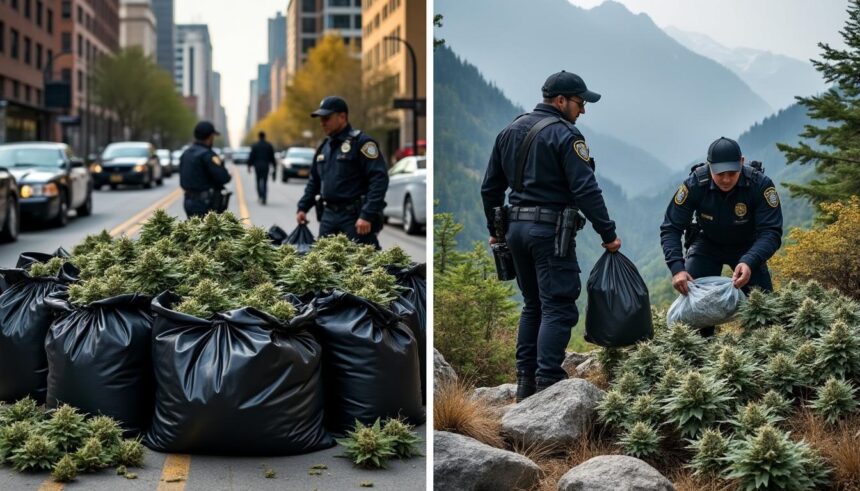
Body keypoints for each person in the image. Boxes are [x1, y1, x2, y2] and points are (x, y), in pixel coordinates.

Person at [481, 71, 621, 401]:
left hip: (515, 231)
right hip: (549, 232)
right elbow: (586, 189)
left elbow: (490, 188)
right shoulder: (566, 135)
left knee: (533, 305)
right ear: (560, 100)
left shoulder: (509, 130)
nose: (583, 110)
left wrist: (495, 232)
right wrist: (608, 233)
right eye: (580, 102)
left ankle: (525, 383)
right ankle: (547, 382)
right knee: (557, 305)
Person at [660, 136, 783, 336]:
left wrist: (750, 261)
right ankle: (702, 348)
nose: (726, 179)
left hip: (748, 247)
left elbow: (771, 232)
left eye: (732, 173)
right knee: (694, 310)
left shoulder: (760, 185)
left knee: (765, 313)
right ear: (709, 166)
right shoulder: (695, 184)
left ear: (741, 162)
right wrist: (677, 268)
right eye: (719, 174)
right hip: (707, 245)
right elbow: (671, 228)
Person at [296, 96, 389, 248]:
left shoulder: (362, 143)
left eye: (326, 118)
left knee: (360, 261)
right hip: (328, 216)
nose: (322, 122)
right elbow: (314, 181)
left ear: (342, 117)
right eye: (321, 119)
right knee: (324, 260)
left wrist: (367, 214)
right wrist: (303, 207)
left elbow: (379, 179)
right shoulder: (324, 147)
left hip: (355, 218)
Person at [179, 121, 232, 218]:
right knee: (207, 228)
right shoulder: (208, 155)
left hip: (188, 201)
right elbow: (224, 178)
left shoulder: (186, 153)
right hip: (205, 204)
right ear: (210, 137)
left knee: (193, 226)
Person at [247, 131, 277, 204]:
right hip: (266, 166)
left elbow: (251, 156)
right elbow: (272, 157)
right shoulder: (269, 145)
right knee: (265, 182)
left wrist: (249, 166)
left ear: (259, 136)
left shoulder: (255, 145)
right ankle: (264, 197)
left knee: (258, 181)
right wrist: (274, 166)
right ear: (264, 136)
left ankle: (260, 195)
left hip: (257, 166)